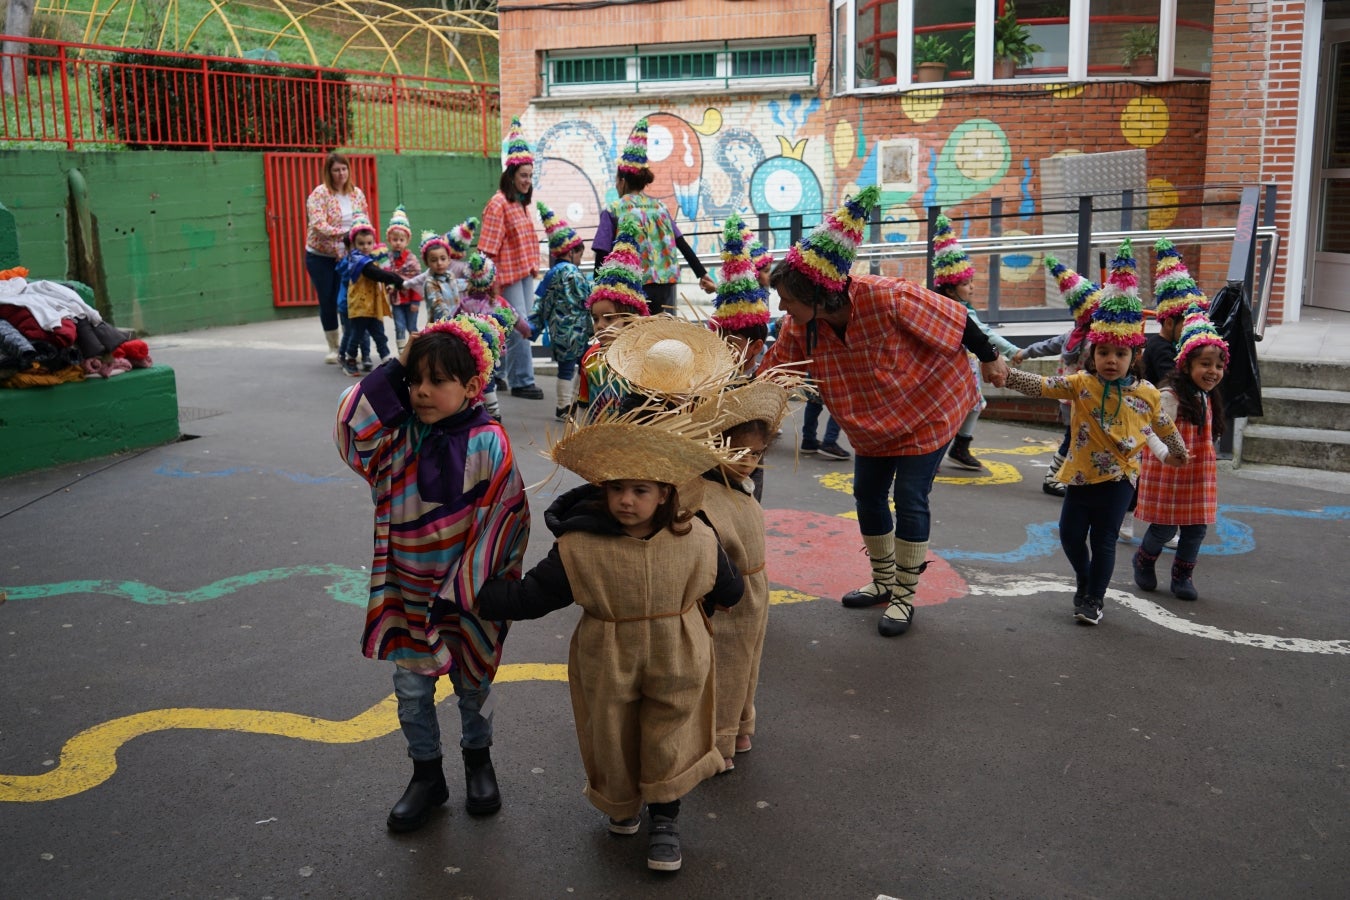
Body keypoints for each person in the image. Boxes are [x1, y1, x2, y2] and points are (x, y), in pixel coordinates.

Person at [475, 415, 744, 874]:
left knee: (668, 735)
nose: (626, 500)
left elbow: (730, 589)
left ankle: (664, 818)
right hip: (607, 655)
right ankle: (622, 805)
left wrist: (703, 601)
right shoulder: (579, 544)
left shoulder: (698, 536)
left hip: (678, 654)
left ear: (665, 493)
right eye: (616, 488)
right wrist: (475, 595)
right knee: (611, 734)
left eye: (640, 490)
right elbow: (533, 596)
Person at [759, 186, 1009, 638]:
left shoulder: (887, 297)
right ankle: (882, 581)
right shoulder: (799, 327)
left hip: (927, 408)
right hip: (871, 422)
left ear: (818, 295)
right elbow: (773, 375)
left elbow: (958, 320)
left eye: (787, 299)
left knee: (909, 497)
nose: (781, 307)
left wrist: (990, 358)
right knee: (868, 494)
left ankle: (904, 596)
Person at [334, 314, 530, 833]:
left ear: (472, 386)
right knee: (411, 690)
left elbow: (506, 518)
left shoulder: (489, 442)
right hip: (407, 589)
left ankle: (479, 761)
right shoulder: (398, 436)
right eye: (414, 379)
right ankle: (426, 775)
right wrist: (400, 361)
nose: (421, 391)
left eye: (437, 380)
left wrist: (469, 587)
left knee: (474, 684)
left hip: (469, 593)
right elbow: (352, 422)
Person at [1002, 240, 1190, 626]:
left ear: (1134, 357)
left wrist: (1178, 450)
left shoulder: (1146, 392)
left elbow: (1164, 425)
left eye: (1120, 354)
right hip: (1080, 475)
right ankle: (1084, 580)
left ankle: (1094, 599)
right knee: (1070, 536)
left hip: (1120, 478)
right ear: (1092, 353)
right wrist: (1006, 375)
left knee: (1104, 540)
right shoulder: (1081, 383)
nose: (1110, 360)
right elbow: (1043, 386)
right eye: (1103, 353)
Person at [689, 379, 789, 771]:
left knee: (748, 663)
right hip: (725, 598)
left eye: (756, 453)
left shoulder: (739, 484)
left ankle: (741, 725)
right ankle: (719, 742)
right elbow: (704, 553)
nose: (747, 461)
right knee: (723, 669)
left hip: (754, 591)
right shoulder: (701, 493)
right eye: (736, 452)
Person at [1133, 305, 1228, 601]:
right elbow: (1149, 429)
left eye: (1218, 366)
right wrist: (1166, 453)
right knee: (1163, 528)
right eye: (1205, 364)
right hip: (1169, 472)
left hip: (1198, 473)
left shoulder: (1206, 395)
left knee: (1196, 528)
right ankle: (1144, 559)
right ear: (1186, 365)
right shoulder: (1170, 396)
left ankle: (1183, 576)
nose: (1213, 372)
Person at [1124, 238, 1208, 544]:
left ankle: (1135, 520)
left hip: (1159, 419)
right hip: (1152, 419)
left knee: (1147, 474)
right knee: (1146, 474)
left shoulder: (1170, 346)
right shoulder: (1162, 349)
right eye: (1185, 322)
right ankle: (1136, 520)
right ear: (1170, 321)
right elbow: (1169, 384)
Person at [589, 118, 716, 315]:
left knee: (635, 332)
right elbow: (681, 243)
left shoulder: (614, 210)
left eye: (616, 180)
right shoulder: (660, 208)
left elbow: (602, 252)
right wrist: (702, 274)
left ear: (622, 181)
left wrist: (599, 287)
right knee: (661, 331)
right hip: (665, 286)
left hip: (631, 287)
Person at [930, 214, 1020, 471]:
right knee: (953, 409)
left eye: (971, 282)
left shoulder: (958, 307)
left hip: (964, 368)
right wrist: (1012, 350)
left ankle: (955, 447)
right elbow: (985, 334)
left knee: (970, 406)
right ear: (950, 289)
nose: (971, 288)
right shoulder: (958, 311)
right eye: (965, 284)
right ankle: (940, 451)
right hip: (953, 369)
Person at [1011, 255, 1104, 496]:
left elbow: (1045, 346)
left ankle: (1070, 476)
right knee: (1074, 438)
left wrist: (1024, 353)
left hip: (1067, 398)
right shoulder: (1096, 341)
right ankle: (1052, 478)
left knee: (1076, 437)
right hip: (1083, 398)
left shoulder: (1071, 336)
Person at [479, 117, 544, 400]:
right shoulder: (499, 204)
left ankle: (499, 374)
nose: (528, 181)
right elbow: (487, 249)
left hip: (524, 272)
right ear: (511, 175)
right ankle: (522, 380)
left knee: (510, 326)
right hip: (505, 277)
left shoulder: (519, 202)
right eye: (523, 176)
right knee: (520, 326)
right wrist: (490, 284)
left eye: (530, 176)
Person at [574, 216, 650, 421]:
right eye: (595, 318)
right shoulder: (590, 358)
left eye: (609, 318)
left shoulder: (643, 358)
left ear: (631, 319)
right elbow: (583, 405)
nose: (600, 326)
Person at [305, 151, 368, 364]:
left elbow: (364, 220)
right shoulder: (319, 194)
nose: (341, 174)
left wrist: (363, 239)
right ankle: (333, 346)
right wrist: (347, 234)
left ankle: (350, 345)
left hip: (349, 256)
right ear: (328, 172)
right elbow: (318, 224)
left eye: (344, 169)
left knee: (349, 299)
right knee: (328, 299)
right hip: (321, 256)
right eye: (336, 170)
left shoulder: (357, 194)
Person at [533, 201, 594, 420]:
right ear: (570, 252)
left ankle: (564, 405)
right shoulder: (572, 272)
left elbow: (541, 302)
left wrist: (534, 325)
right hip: (576, 331)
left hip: (558, 331)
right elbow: (587, 297)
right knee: (582, 365)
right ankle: (572, 402)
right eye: (579, 255)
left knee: (565, 368)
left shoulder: (551, 274)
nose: (580, 260)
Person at [336, 212, 401, 377]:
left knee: (379, 334)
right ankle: (350, 360)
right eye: (361, 243)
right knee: (356, 335)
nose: (365, 246)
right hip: (360, 306)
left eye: (369, 243)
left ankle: (386, 360)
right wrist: (396, 279)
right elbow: (375, 273)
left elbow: (381, 272)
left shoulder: (371, 257)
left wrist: (390, 283)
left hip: (373, 306)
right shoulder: (357, 259)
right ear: (354, 244)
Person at [385, 205, 423, 352]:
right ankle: (402, 351)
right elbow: (386, 276)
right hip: (397, 301)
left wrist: (416, 301)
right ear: (389, 240)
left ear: (407, 241)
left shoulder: (411, 260)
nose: (398, 242)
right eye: (395, 239)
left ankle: (415, 349)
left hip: (410, 300)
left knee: (411, 326)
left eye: (401, 239)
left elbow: (417, 281)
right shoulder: (388, 259)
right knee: (399, 326)